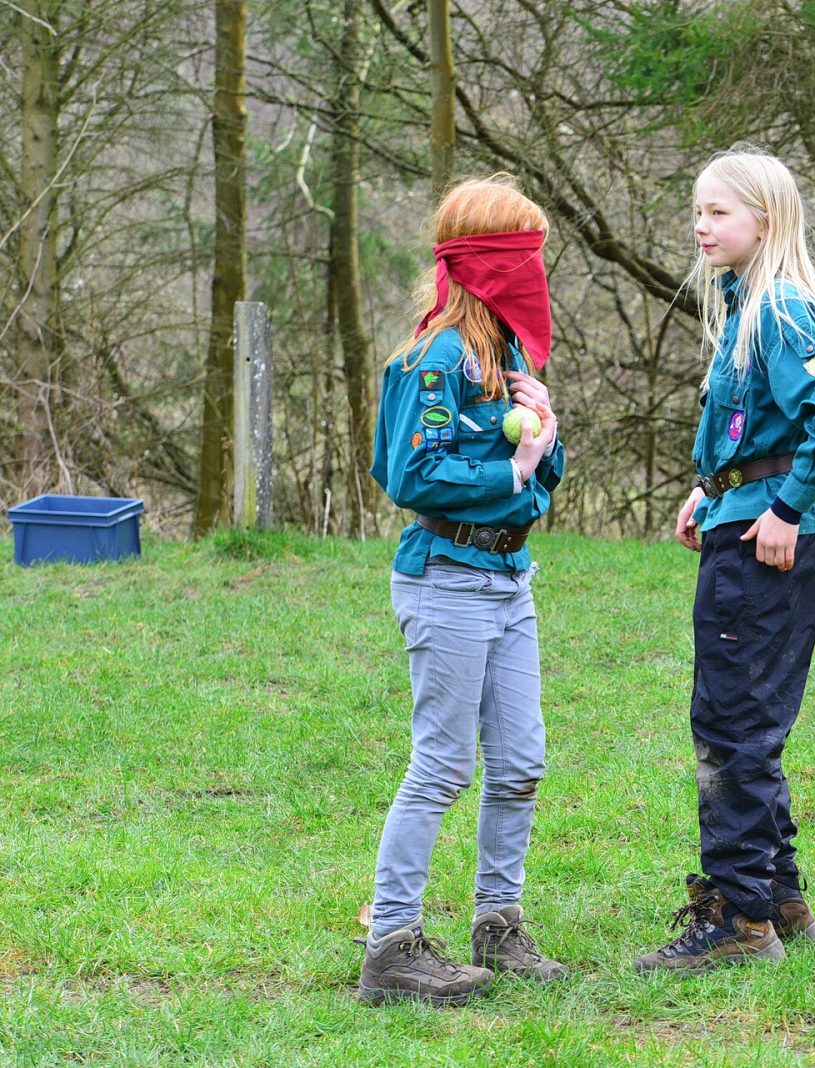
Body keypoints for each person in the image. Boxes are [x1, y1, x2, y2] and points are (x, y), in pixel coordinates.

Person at [633, 149, 815, 973]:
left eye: (719, 212)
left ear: (765, 222)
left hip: (764, 545)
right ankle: (780, 898)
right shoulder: (746, 307)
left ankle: (739, 917)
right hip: (738, 521)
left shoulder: (777, 310)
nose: (701, 226)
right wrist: (712, 489)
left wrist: (786, 506)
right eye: (697, 211)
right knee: (750, 721)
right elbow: (756, 426)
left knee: (731, 725)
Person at [357, 174, 570, 1005]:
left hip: (511, 578)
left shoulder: (507, 357)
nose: (534, 274)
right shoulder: (435, 359)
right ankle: (391, 947)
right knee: (443, 766)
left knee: (520, 763)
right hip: (446, 580)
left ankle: (498, 925)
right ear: (487, 263)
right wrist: (511, 470)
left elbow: (538, 477)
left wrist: (546, 436)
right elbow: (409, 474)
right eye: (523, 258)